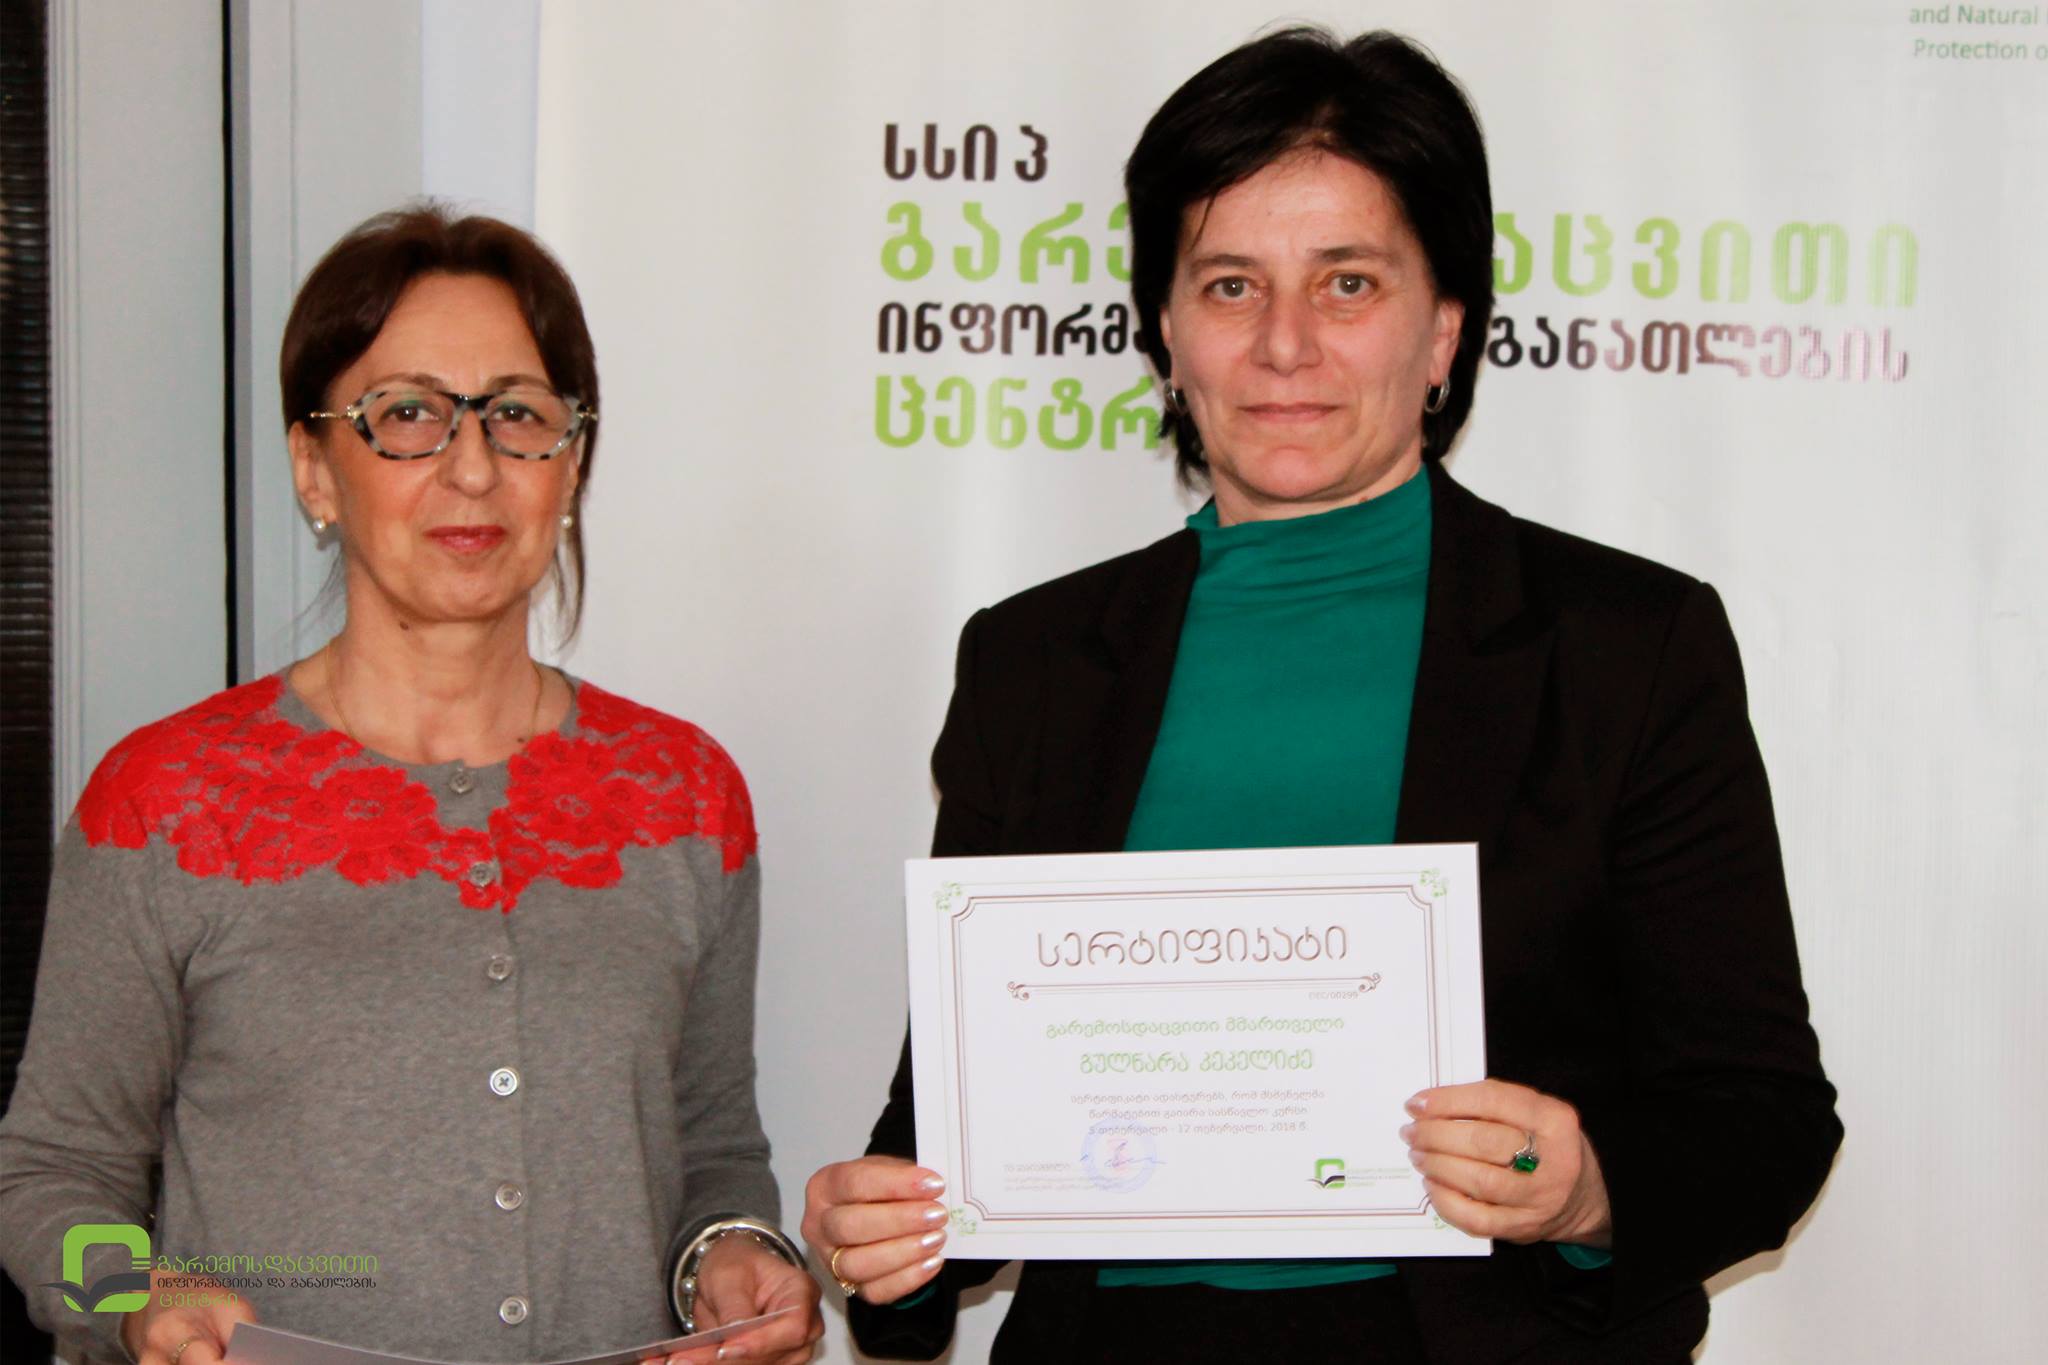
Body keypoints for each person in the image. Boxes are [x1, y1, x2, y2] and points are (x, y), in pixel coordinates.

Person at [801, 28, 1840, 1364]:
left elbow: (1761, 1116)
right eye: (1230, 285)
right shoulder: (1034, 662)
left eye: (1347, 283)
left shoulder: (1622, 647)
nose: (1284, 343)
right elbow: (950, 1138)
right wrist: (884, 1241)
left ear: (1443, 327)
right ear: (1165, 332)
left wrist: (1586, 1193)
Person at [0, 206, 822, 1365]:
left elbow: (713, 1149)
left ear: (571, 464)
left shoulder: (683, 796)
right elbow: (53, 1175)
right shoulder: (165, 800)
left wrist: (731, 1255)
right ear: (314, 469)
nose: (472, 468)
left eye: (517, 415)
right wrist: (137, 1296)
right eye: (407, 415)